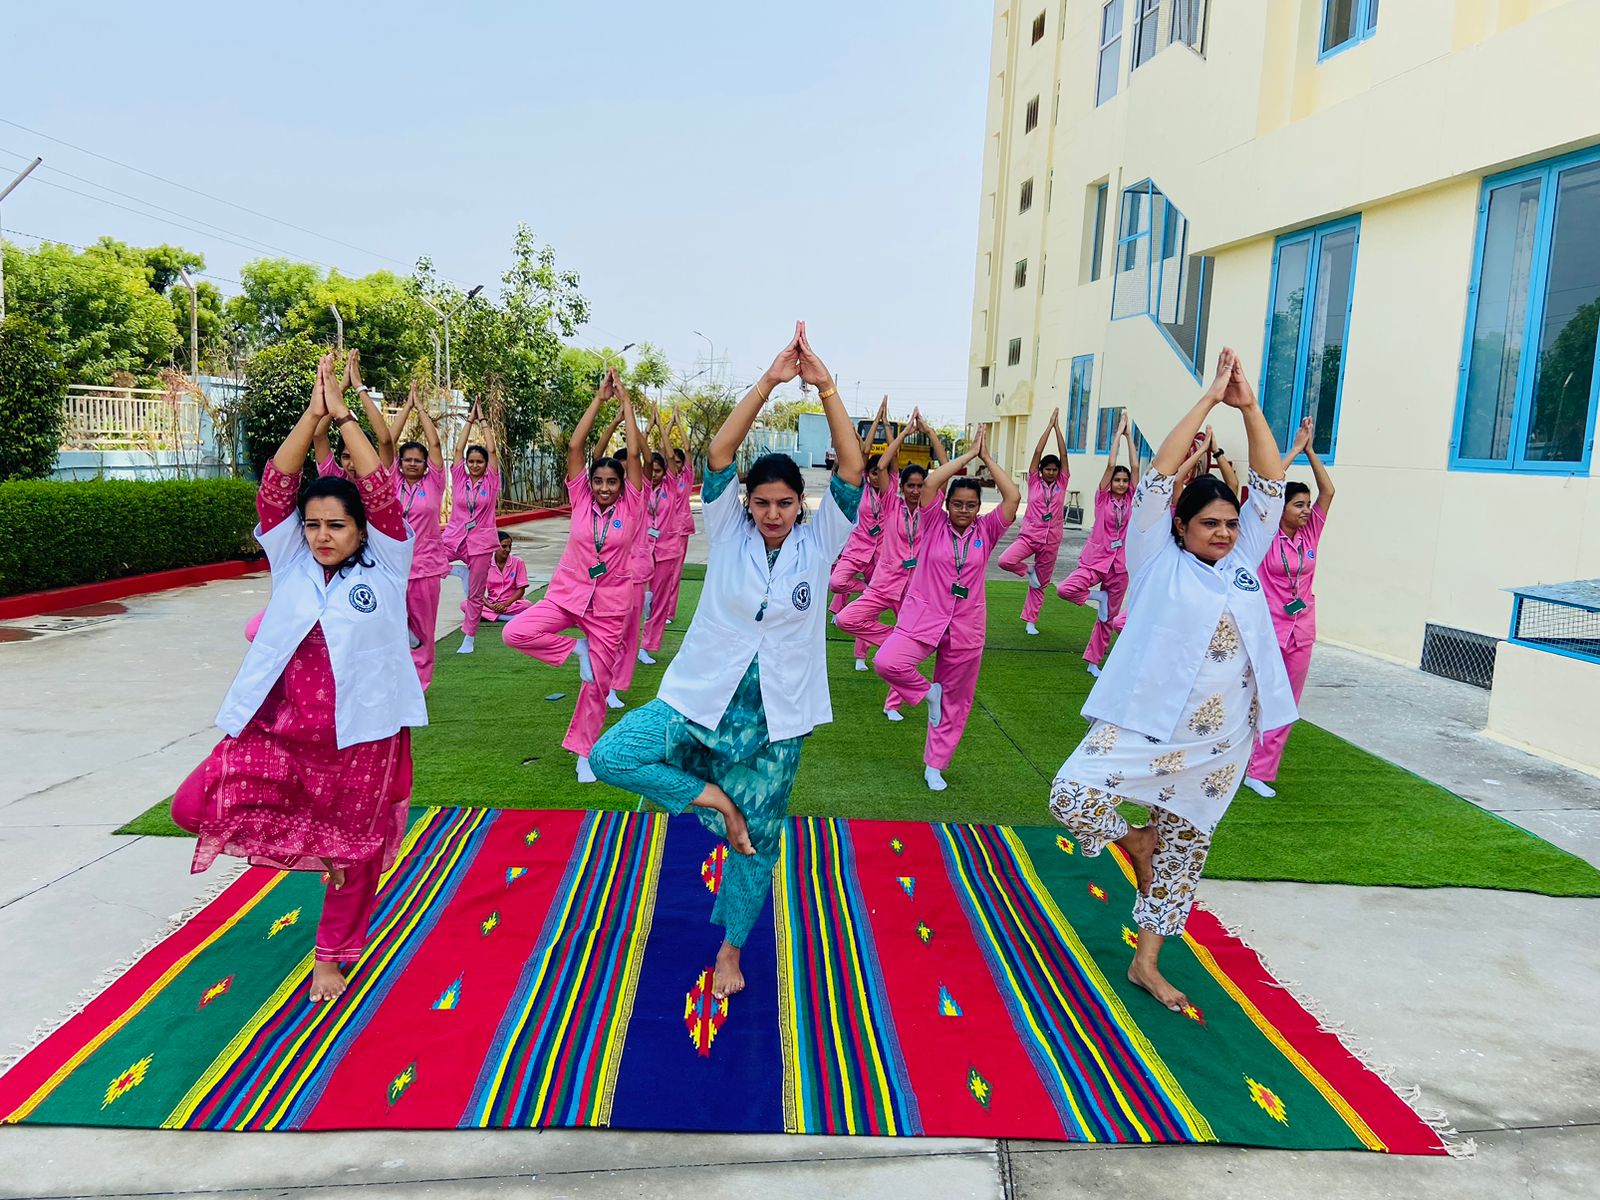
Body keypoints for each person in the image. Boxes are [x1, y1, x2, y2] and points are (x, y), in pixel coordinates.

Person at [590, 322, 864, 1001]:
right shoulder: (726, 528)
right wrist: (770, 381)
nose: (773, 513)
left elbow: (853, 470)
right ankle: (713, 801)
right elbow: (718, 452)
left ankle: (731, 949)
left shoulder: (820, 541)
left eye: (785, 503)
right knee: (611, 755)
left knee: (757, 842)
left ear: (802, 503)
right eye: (762, 502)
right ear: (746, 502)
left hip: (776, 719)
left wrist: (825, 387)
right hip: (699, 697)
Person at [170, 351, 426, 1004]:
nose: (321, 535)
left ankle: (331, 955)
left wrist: (344, 417)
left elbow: (381, 491)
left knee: (354, 851)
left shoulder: (388, 563)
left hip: (363, 736)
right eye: (313, 525)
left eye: (336, 525)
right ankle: (311, 845)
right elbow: (275, 488)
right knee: (193, 805)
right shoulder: (291, 560)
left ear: (363, 530)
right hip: (284, 730)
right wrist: (312, 413)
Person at [1046, 347, 1292, 1014]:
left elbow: (1270, 484)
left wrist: (1249, 407)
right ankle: (1135, 841)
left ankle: (1147, 963)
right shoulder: (1154, 553)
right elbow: (1158, 473)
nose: (1224, 532)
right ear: (1180, 525)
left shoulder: (1243, 562)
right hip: (1146, 723)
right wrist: (1210, 397)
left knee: (1184, 852)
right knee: (1071, 794)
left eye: (1231, 523)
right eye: (1209, 522)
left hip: (1220, 740)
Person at [502, 368, 646, 782]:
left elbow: (634, 457)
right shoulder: (581, 498)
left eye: (611, 482)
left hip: (609, 606)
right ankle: (576, 650)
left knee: (598, 684)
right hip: (567, 594)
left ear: (622, 484)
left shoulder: (633, 505)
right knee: (515, 632)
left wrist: (627, 405)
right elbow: (575, 445)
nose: (604, 488)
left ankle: (584, 753)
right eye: (598, 481)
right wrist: (599, 400)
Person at [872, 426, 1020, 791]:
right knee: (887, 661)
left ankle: (934, 766)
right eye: (957, 504)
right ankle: (927, 693)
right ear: (947, 504)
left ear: (979, 508)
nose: (964, 510)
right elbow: (931, 483)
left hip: (967, 626)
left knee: (956, 701)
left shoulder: (987, 530)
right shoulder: (933, 520)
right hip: (923, 617)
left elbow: (1013, 496)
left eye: (971, 505)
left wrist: (987, 459)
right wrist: (967, 456)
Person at [835, 412, 950, 717]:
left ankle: (893, 704)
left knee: (900, 661)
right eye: (910, 485)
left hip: (914, 590)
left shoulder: (931, 511)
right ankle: (892, 640)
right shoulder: (890, 503)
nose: (915, 490)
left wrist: (930, 433)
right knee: (845, 619)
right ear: (902, 487)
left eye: (920, 485)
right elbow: (883, 465)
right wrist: (904, 432)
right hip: (884, 583)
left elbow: (945, 467)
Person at [1244, 416, 1335, 797]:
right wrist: (1294, 449)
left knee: (1285, 703)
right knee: (1248, 695)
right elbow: (1267, 487)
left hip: (1301, 630)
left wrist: (1311, 452)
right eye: (1298, 505)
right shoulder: (1264, 533)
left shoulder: (1310, 533)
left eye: (1307, 505)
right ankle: (1230, 758)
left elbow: (1329, 491)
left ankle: (1260, 771)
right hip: (1266, 628)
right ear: (1280, 507)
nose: (1305, 510)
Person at [1057, 412, 1136, 675]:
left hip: (1120, 565)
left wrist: (1130, 438)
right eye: (1117, 480)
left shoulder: (1131, 499)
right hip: (1096, 559)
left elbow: (1136, 468)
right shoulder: (1102, 498)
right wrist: (1118, 435)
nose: (1121, 484)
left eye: (1124, 481)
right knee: (1065, 589)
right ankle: (1097, 596)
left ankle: (1094, 662)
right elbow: (1111, 464)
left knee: (1108, 617)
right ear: (1110, 482)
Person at [383, 382, 450, 687]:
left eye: (418, 460)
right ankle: (395, 679)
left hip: (425, 568)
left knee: (423, 629)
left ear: (425, 465)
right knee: (390, 626)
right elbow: (387, 441)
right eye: (407, 459)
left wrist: (421, 409)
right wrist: (406, 408)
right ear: (400, 463)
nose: (412, 463)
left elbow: (434, 444)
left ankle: (420, 684)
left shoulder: (434, 484)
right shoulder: (390, 481)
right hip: (391, 568)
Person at [998, 408, 1068, 635]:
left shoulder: (1062, 483)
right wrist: (1049, 426)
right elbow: (1038, 451)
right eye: (1047, 469)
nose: (1051, 472)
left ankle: (1030, 622)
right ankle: (1028, 571)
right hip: (1030, 535)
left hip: (1052, 540)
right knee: (1005, 560)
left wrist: (1059, 430)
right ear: (1040, 470)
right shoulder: (1034, 482)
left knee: (1041, 584)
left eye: (1054, 470)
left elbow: (1063, 454)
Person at [442, 401, 501, 655]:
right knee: (428, 563)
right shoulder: (459, 478)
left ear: (485, 464)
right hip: (454, 537)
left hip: (481, 544)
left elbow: (493, 449)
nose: (475, 465)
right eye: (472, 461)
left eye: (479, 462)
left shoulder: (491, 481)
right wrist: (469, 419)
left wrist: (483, 420)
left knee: (476, 594)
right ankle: (457, 571)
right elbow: (457, 448)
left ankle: (469, 638)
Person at [827, 397, 891, 623]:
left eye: (880, 473)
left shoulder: (889, 493)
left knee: (870, 613)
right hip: (858, 547)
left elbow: (893, 456)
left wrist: (886, 425)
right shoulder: (862, 487)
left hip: (880, 552)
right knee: (837, 582)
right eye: (873, 473)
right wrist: (876, 420)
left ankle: (863, 647)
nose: (877, 477)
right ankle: (868, 592)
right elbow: (864, 452)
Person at [640, 404, 691, 661]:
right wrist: (649, 427)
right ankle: (628, 638)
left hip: (668, 546)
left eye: (660, 471)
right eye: (653, 471)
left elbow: (673, 455)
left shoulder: (673, 484)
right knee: (634, 595)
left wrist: (666, 425)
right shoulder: (641, 487)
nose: (655, 475)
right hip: (642, 548)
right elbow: (639, 452)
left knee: (661, 598)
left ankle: (647, 645)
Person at [311, 350, 395, 477]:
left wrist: (359, 386)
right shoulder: (335, 477)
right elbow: (318, 435)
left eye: (358, 456)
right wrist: (342, 386)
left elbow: (385, 441)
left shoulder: (380, 478)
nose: (352, 465)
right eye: (346, 457)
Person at [480, 530, 532, 624]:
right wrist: (490, 606)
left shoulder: (518, 562)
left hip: (511, 604)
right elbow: (478, 591)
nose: (508, 550)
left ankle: (489, 616)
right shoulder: (485, 564)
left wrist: (505, 604)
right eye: (504, 546)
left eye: (510, 546)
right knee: (466, 605)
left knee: (527, 605)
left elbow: (521, 590)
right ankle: (506, 618)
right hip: (492, 604)